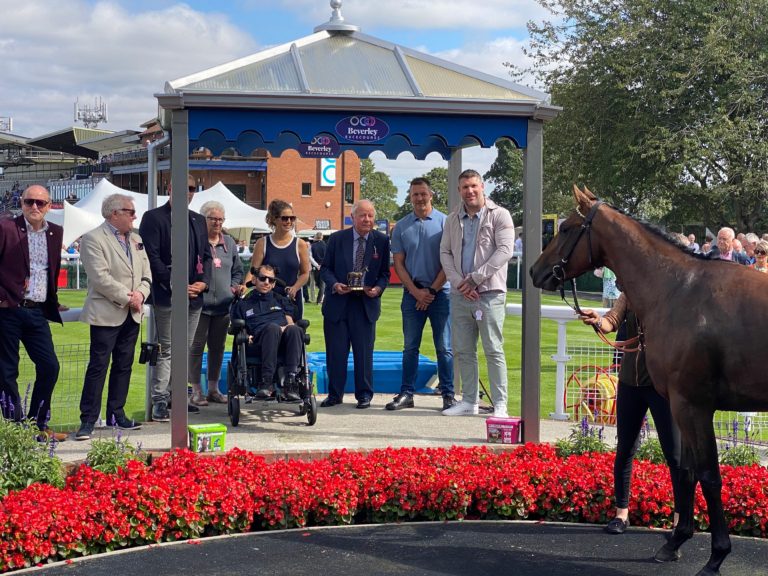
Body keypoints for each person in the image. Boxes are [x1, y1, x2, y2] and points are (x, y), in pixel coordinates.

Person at [578, 294, 681, 534]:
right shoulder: (629, 295)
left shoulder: (665, 292)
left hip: (660, 386)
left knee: (675, 454)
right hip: (629, 383)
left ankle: (680, 519)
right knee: (625, 449)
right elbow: (611, 320)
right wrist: (596, 320)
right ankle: (621, 514)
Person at [75, 194, 152, 440]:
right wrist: (129, 297)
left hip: (132, 313)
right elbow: (99, 277)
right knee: (98, 367)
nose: (134, 216)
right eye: (130, 212)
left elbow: (147, 274)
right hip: (106, 313)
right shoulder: (93, 238)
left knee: (124, 365)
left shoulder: (137, 240)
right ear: (113, 213)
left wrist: (140, 294)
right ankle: (88, 420)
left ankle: (116, 413)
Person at [439, 169, 514, 418]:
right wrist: (460, 282)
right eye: (464, 187)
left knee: (493, 349)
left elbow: (504, 251)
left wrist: (475, 279)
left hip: (489, 293)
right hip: (461, 294)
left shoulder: (500, 215)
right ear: (459, 190)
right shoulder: (452, 219)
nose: (469, 191)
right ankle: (469, 401)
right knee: (463, 350)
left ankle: (500, 404)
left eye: (473, 186)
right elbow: (445, 253)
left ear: (482, 186)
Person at [139, 175, 212, 422]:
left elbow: (206, 257)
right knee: (168, 349)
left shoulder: (198, 220)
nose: (187, 192)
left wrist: (203, 284)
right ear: (170, 189)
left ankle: (177, 396)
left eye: (191, 189)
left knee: (185, 349)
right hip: (167, 296)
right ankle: (160, 399)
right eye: (182, 188)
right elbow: (152, 256)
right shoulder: (154, 218)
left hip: (194, 297)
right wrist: (175, 284)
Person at [0, 185, 66, 442]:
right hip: (8, 311)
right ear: (21, 203)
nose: (35, 207)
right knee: (7, 371)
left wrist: (53, 300)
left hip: (37, 311)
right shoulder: (6, 228)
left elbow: (48, 269)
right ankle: (15, 429)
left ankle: (36, 424)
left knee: (50, 366)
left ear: (49, 205)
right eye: (30, 202)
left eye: (40, 203)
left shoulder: (55, 232)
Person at [386, 177, 454, 411]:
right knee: (410, 347)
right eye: (415, 194)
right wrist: (417, 293)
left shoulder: (446, 223)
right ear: (410, 197)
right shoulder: (402, 226)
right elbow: (399, 264)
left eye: (423, 193)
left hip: (441, 294)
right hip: (412, 294)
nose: (419, 198)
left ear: (431, 195)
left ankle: (448, 394)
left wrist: (431, 291)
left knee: (444, 347)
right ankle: (407, 393)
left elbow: (449, 261)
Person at [320, 199, 390, 409]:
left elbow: (385, 274)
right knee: (336, 353)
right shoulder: (336, 239)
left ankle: (365, 395)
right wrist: (334, 285)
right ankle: (334, 394)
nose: (367, 219)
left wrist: (378, 289)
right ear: (353, 217)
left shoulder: (381, 240)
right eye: (362, 215)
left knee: (364, 354)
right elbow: (325, 269)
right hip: (338, 305)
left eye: (370, 215)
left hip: (365, 306)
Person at [189, 201, 243, 406]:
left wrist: (235, 285)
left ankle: (213, 388)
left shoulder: (229, 243)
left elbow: (237, 270)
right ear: (204, 220)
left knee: (218, 348)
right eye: (213, 218)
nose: (217, 223)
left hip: (223, 306)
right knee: (195, 347)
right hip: (199, 306)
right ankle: (195, 390)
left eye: (220, 219)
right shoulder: (196, 241)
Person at [231, 264, 302, 401]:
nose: (266, 282)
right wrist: (245, 335)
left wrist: (287, 327)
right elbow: (236, 327)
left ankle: (291, 382)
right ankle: (266, 382)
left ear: (274, 284)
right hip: (258, 341)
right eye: (263, 278)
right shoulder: (244, 304)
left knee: (295, 329)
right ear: (255, 280)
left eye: (271, 280)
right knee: (272, 328)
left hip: (283, 340)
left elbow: (290, 322)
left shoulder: (280, 300)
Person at [244, 200, 310, 319]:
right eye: (285, 218)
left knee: (293, 333)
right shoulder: (262, 243)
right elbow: (253, 271)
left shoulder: (299, 244)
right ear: (274, 219)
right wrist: (244, 286)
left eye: (292, 218)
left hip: (292, 298)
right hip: (267, 298)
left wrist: (295, 288)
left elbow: (305, 273)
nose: (289, 221)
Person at [310, 231, 327, 304]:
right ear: (322, 237)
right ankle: (321, 299)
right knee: (322, 284)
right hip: (324, 266)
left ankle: (316, 299)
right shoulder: (326, 245)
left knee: (315, 283)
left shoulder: (312, 246)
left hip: (315, 267)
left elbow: (310, 257)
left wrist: (316, 265)